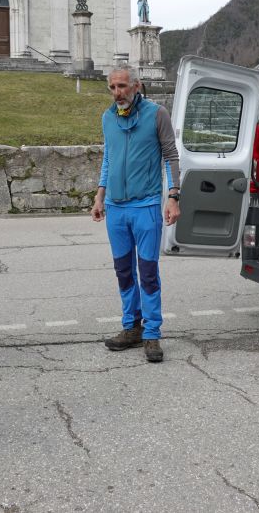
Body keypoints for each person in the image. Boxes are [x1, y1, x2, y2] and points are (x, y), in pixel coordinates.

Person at [91, 66, 180, 363]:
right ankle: (131, 327)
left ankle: (152, 333)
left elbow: (170, 156)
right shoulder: (108, 118)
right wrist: (100, 196)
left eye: (122, 86)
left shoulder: (157, 114)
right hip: (116, 208)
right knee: (124, 271)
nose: (117, 93)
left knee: (148, 272)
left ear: (136, 86)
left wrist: (173, 197)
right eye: (112, 87)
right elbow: (109, 158)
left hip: (145, 207)